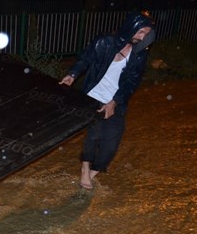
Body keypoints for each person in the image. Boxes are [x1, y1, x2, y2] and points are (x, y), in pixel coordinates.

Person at [59, 11, 156, 190]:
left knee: (111, 142)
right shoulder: (104, 42)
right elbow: (85, 59)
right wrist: (72, 75)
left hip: (116, 101)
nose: (142, 37)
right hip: (93, 96)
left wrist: (114, 102)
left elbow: (131, 82)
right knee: (94, 134)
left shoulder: (139, 54)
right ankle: (85, 168)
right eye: (140, 32)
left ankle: (94, 171)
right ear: (131, 27)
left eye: (146, 33)